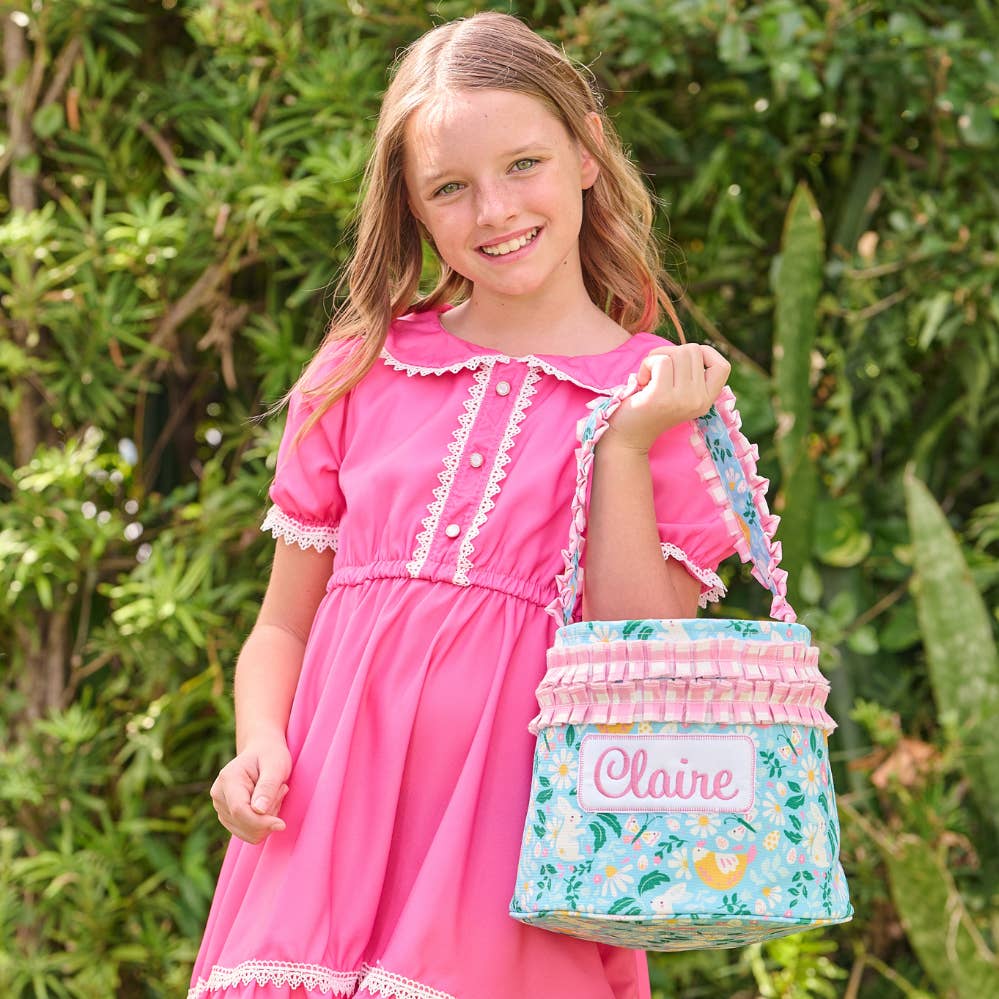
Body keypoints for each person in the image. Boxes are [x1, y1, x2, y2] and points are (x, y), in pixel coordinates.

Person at [189, 11, 737, 999]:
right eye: (450, 187)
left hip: (514, 865)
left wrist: (622, 446)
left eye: (523, 164)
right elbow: (282, 626)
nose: (494, 210)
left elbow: (639, 668)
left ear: (586, 154)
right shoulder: (363, 368)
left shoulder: (662, 399)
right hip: (320, 845)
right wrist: (259, 740)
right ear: (412, 205)